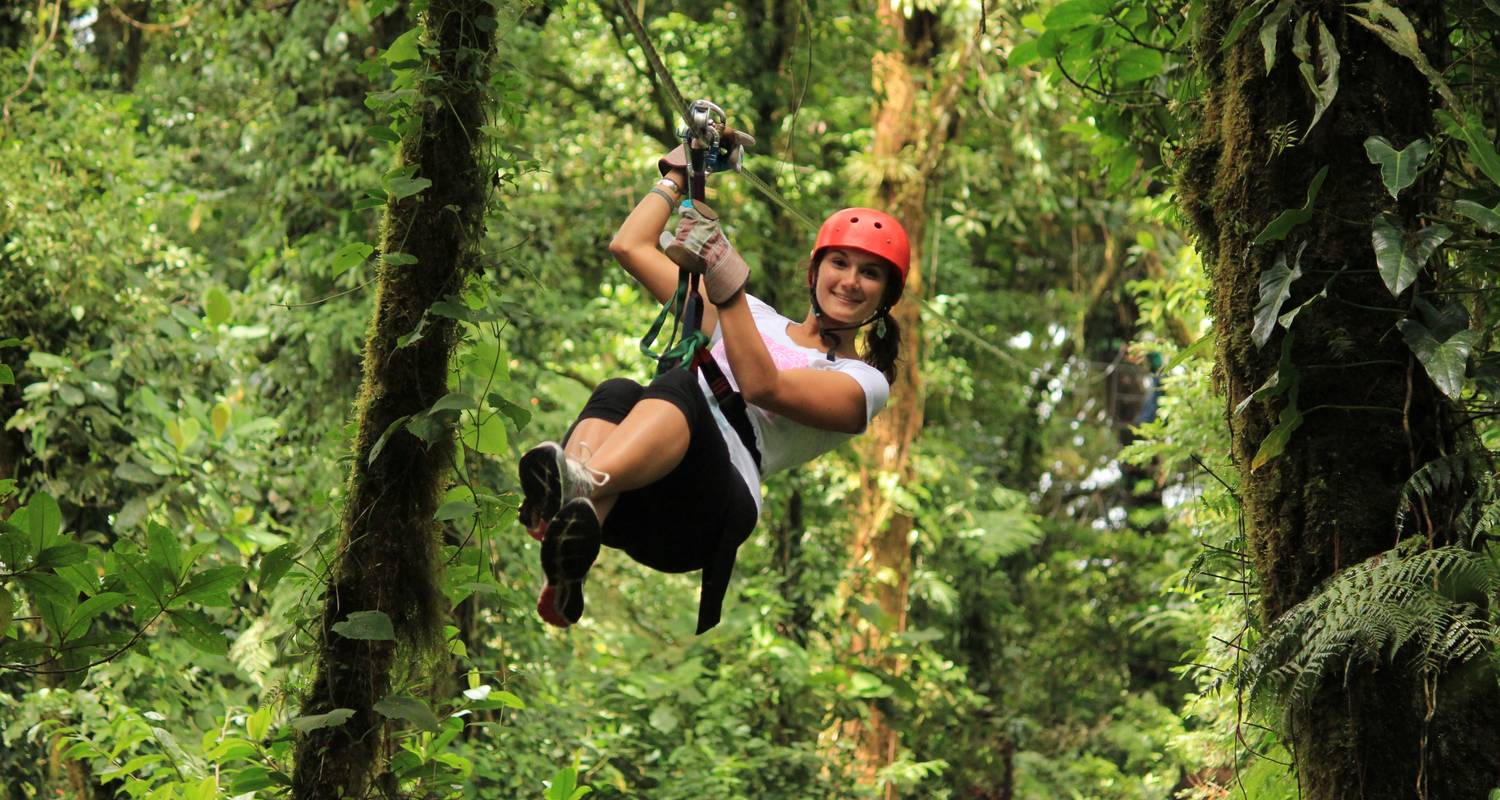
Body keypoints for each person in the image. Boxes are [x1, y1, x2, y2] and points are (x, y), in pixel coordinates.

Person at [517, 141, 910, 634]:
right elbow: (630, 246)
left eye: (869, 273)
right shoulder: (755, 317)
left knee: (681, 383)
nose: (850, 281)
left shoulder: (864, 383)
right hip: (639, 495)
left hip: (705, 513)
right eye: (840, 264)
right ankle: (572, 544)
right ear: (814, 271)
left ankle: (583, 482)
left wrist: (725, 276)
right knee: (618, 390)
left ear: (885, 296)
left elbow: (761, 386)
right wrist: (678, 173)